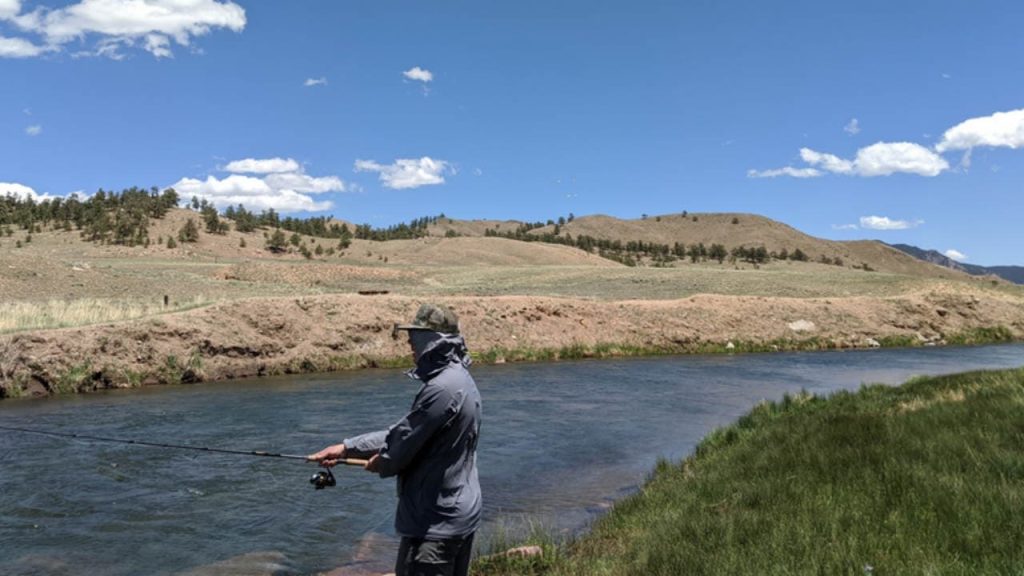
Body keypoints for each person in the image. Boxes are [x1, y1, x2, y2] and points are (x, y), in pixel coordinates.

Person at [309, 303, 482, 576]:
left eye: (414, 338)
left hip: (434, 524)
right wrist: (346, 449)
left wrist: (382, 463)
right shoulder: (458, 380)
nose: (410, 345)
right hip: (456, 516)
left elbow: (397, 450)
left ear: (433, 340)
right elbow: (405, 433)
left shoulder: (441, 389)